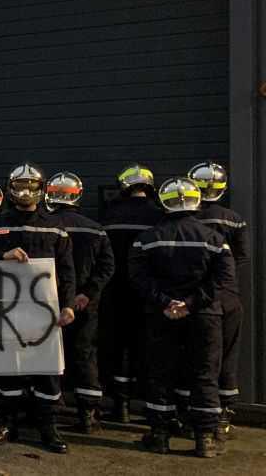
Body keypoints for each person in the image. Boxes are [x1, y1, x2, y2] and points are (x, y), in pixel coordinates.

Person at [129, 177, 234, 458]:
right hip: (205, 316)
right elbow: (224, 279)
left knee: (160, 373)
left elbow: (137, 278)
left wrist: (167, 302)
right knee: (204, 374)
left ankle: (160, 436)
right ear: (196, 200)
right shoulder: (215, 239)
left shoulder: (147, 239)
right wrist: (191, 304)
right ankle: (205, 439)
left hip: (161, 315)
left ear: (164, 202)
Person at [0, 163, 76, 454]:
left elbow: (67, 270)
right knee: (9, 369)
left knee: (46, 370)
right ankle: (6, 423)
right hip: (6, 311)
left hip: (45, 314)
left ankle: (48, 427)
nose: (25, 191)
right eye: (19, 185)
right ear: (10, 188)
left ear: (42, 188)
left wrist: (69, 305)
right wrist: (1, 254)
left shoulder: (55, 227)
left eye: (31, 186)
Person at [44, 172, 115, 433]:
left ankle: (52, 407)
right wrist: (87, 293)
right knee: (85, 355)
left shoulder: (45, 226)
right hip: (86, 304)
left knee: (50, 355)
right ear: (77, 195)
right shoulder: (94, 228)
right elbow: (108, 267)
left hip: (50, 304)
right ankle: (88, 414)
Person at [188, 162, 249, 439]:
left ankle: (194, 414)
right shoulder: (235, 219)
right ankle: (223, 413)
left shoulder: (191, 221)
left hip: (196, 298)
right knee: (227, 355)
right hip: (228, 296)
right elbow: (241, 257)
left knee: (196, 357)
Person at [99, 163, 163, 423]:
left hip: (114, 291)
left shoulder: (110, 216)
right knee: (150, 347)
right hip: (149, 294)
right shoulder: (159, 217)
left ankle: (120, 404)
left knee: (116, 347)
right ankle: (153, 407)